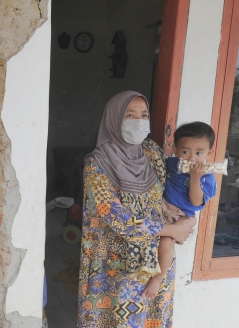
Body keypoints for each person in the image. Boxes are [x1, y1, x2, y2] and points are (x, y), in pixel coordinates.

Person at [78, 91, 194, 328]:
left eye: (144, 115)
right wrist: (171, 229)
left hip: (156, 263)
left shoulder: (151, 151)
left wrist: (182, 218)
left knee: (152, 318)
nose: (139, 121)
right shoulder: (97, 164)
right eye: (130, 115)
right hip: (116, 267)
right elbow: (117, 218)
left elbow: (165, 192)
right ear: (114, 119)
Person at [143, 122, 217, 298]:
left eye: (199, 153)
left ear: (209, 153)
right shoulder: (171, 164)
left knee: (166, 244)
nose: (192, 158)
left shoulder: (207, 176)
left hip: (178, 216)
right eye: (186, 151)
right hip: (160, 207)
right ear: (176, 150)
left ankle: (157, 279)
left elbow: (196, 201)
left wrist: (195, 178)